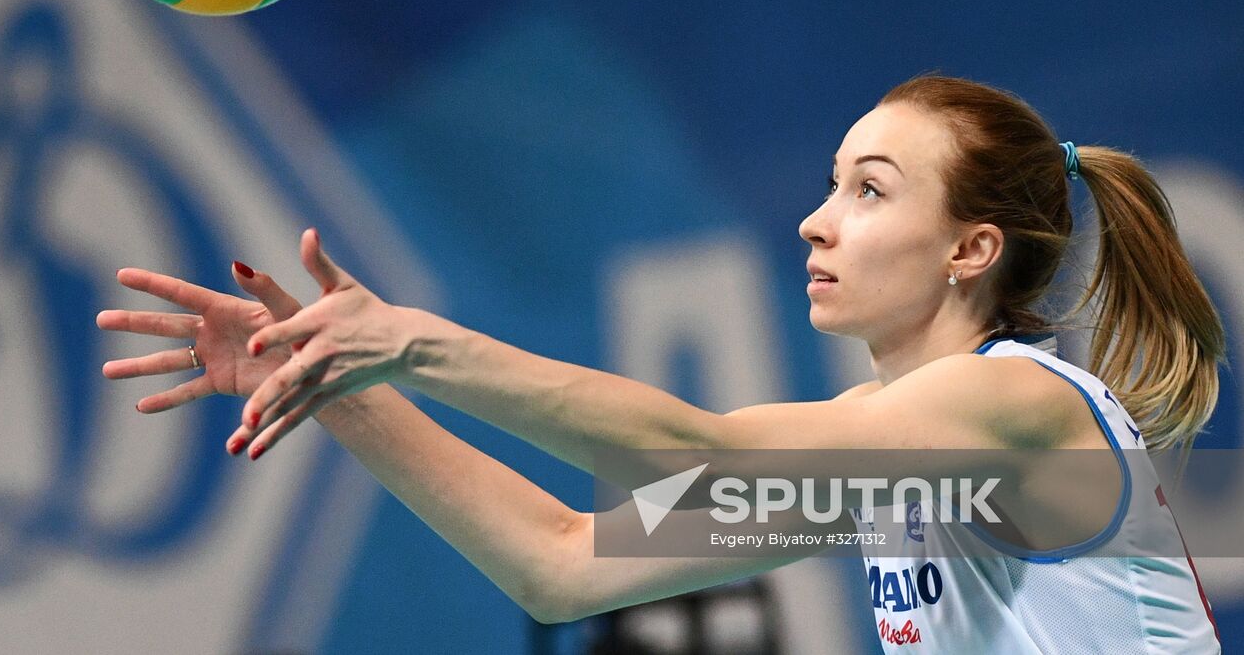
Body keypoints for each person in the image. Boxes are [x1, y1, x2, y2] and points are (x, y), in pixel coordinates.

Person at [99, 74, 1225, 652]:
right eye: (831, 182)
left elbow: (702, 453)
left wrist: (417, 341)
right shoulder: (903, 462)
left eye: (869, 191)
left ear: (970, 250)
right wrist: (339, 384)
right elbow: (560, 563)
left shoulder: (1010, 407)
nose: (815, 223)